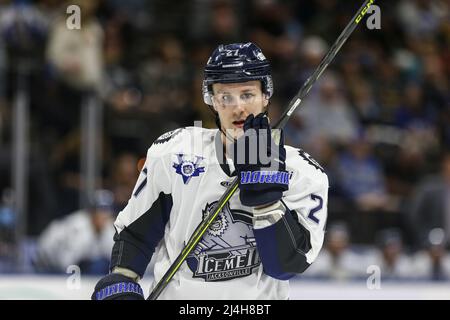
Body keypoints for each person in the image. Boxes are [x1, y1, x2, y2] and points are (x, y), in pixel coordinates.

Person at [92, 42, 329, 300]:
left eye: (248, 94)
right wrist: (122, 282)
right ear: (211, 101)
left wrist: (266, 200)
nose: (237, 107)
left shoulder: (304, 173)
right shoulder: (175, 154)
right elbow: (136, 235)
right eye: (226, 96)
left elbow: (285, 266)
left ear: (266, 96)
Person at [34, 190, 116, 274]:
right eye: (101, 210)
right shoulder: (80, 228)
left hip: (67, 262)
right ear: (92, 212)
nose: (105, 215)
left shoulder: (109, 229)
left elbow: (115, 260)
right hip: (45, 257)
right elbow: (65, 264)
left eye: (107, 210)